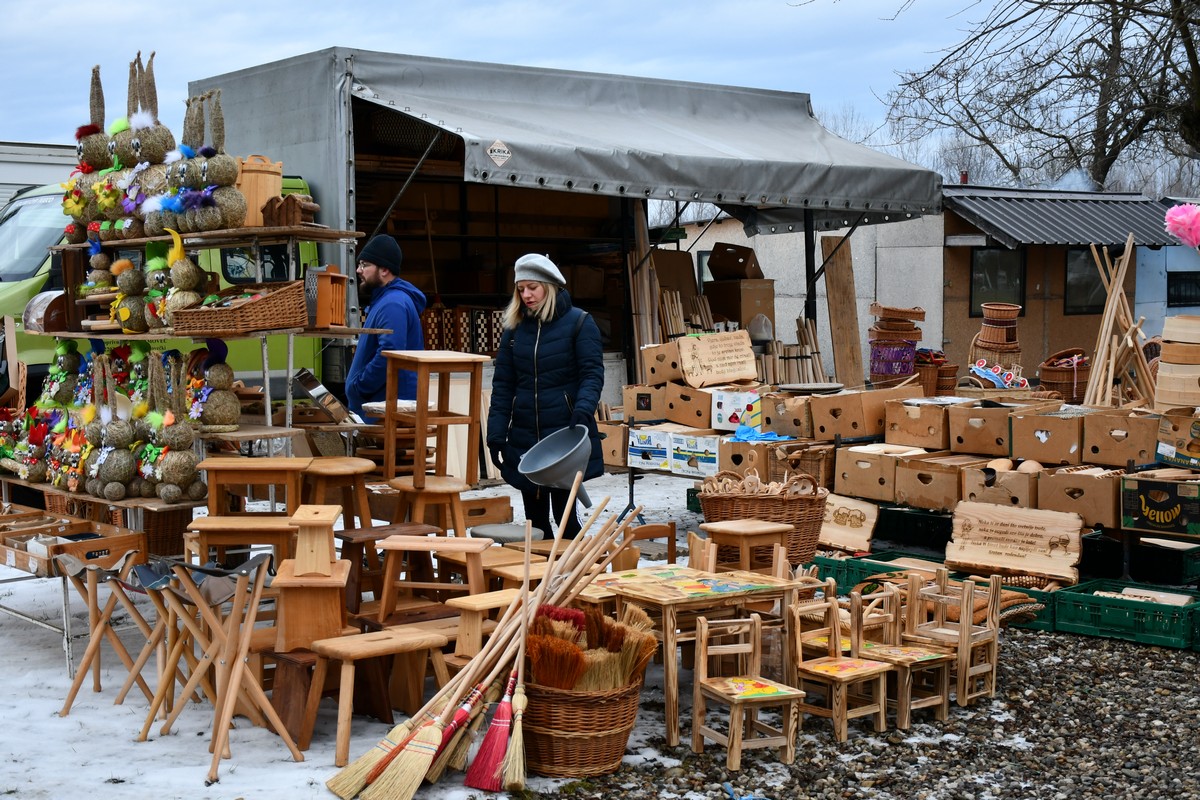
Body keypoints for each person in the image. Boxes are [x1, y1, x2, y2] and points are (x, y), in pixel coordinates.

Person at [487, 254, 604, 540]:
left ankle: (572, 580)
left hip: (566, 437)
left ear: (549, 286)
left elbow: (592, 373)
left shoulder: (579, 323)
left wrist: (583, 409)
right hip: (526, 438)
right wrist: (496, 433)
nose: (525, 295)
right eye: (520, 288)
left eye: (532, 287)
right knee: (536, 525)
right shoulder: (514, 330)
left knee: (568, 523)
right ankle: (540, 581)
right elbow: (503, 385)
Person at [345, 234, 427, 420]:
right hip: (381, 409)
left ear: (384, 270)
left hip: (386, 413)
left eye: (365, 265)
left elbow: (389, 355)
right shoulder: (385, 300)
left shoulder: (393, 304)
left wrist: (359, 386)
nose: (358, 270)